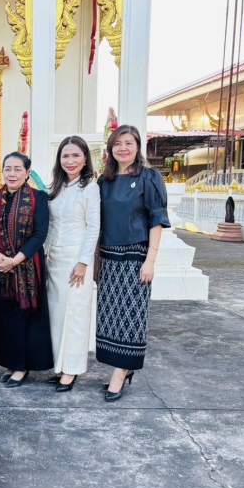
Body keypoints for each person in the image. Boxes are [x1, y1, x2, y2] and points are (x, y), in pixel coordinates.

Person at [96, 124, 170, 401]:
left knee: (131, 315)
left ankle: (122, 371)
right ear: (110, 148)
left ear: (138, 146)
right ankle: (119, 367)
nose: (123, 148)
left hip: (135, 256)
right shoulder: (104, 181)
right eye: (117, 144)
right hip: (108, 256)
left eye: (128, 143)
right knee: (110, 316)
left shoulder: (149, 177)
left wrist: (150, 260)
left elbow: (156, 220)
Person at [0, 152, 53, 388]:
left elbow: (39, 234)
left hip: (27, 269)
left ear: (27, 173)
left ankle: (22, 367)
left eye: (17, 169)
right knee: (4, 319)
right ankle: (11, 363)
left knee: (25, 320)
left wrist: (15, 260)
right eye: (8, 169)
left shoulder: (38, 198)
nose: (12, 174)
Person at [45, 136, 100, 392]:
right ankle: (59, 365)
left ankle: (71, 369)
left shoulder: (90, 188)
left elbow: (93, 228)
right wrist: (44, 255)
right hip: (54, 258)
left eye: (76, 155)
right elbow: (50, 225)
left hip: (77, 261)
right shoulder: (56, 187)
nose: (70, 161)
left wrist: (83, 262)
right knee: (56, 315)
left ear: (85, 158)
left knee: (74, 315)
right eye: (65, 156)